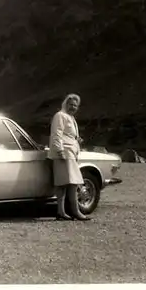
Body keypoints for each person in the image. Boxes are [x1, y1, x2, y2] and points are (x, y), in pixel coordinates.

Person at [48, 93, 90, 221]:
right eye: (70, 104)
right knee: (70, 183)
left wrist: (77, 141)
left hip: (70, 153)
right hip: (64, 153)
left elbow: (69, 135)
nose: (73, 107)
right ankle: (75, 211)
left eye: (75, 106)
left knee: (67, 183)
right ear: (65, 104)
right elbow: (56, 134)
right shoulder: (60, 115)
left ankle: (62, 212)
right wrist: (59, 150)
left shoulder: (70, 118)